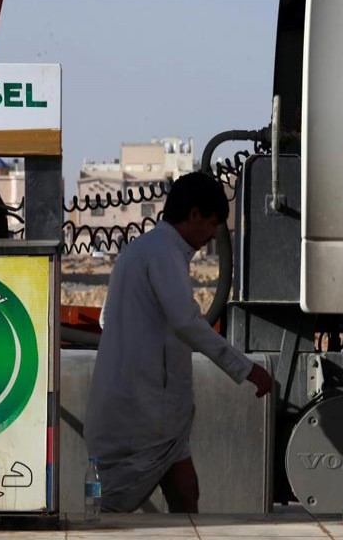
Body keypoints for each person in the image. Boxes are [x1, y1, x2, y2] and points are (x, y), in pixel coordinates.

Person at [83, 171, 273, 513]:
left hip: (157, 417)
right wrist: (246, 369)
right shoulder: (162, 252)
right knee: (113, 511)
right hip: (142, 415)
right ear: (195, 215)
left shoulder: (144, 250)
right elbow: (187, 321)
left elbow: (107, 319)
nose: (213, 234)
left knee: (186, 494)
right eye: (212, 223)